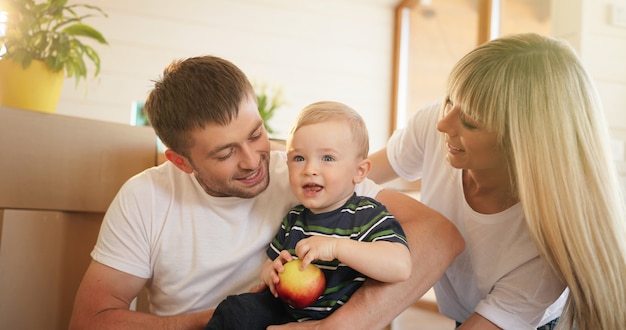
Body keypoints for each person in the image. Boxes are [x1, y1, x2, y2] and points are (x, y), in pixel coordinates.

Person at [69, 55, 464, 329]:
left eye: (256, 134)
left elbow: (440, 237)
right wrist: (220, 320)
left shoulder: (301, 174)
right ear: (181, 162)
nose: (254, 160)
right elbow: (91, 321)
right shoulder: (145, 199)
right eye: (225, 153)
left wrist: (341, 325)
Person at [368, 33, 626, 329]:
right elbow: (349, 178)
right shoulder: (435, 125)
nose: (444, 124)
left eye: (470, 121)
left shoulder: (545, 246)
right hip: (462, 312)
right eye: (451, 101)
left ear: (523, 142)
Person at [206, 101, 412, 329]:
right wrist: (271, 273)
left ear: (359, 171)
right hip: (287, 312)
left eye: (327, 158)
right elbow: (270, 263)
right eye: (299, 158)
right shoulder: (295, 219)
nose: (310, 169)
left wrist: (337, 248)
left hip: (343, 319)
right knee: (236, 310)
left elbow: (400, 266)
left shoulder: (368, 215)